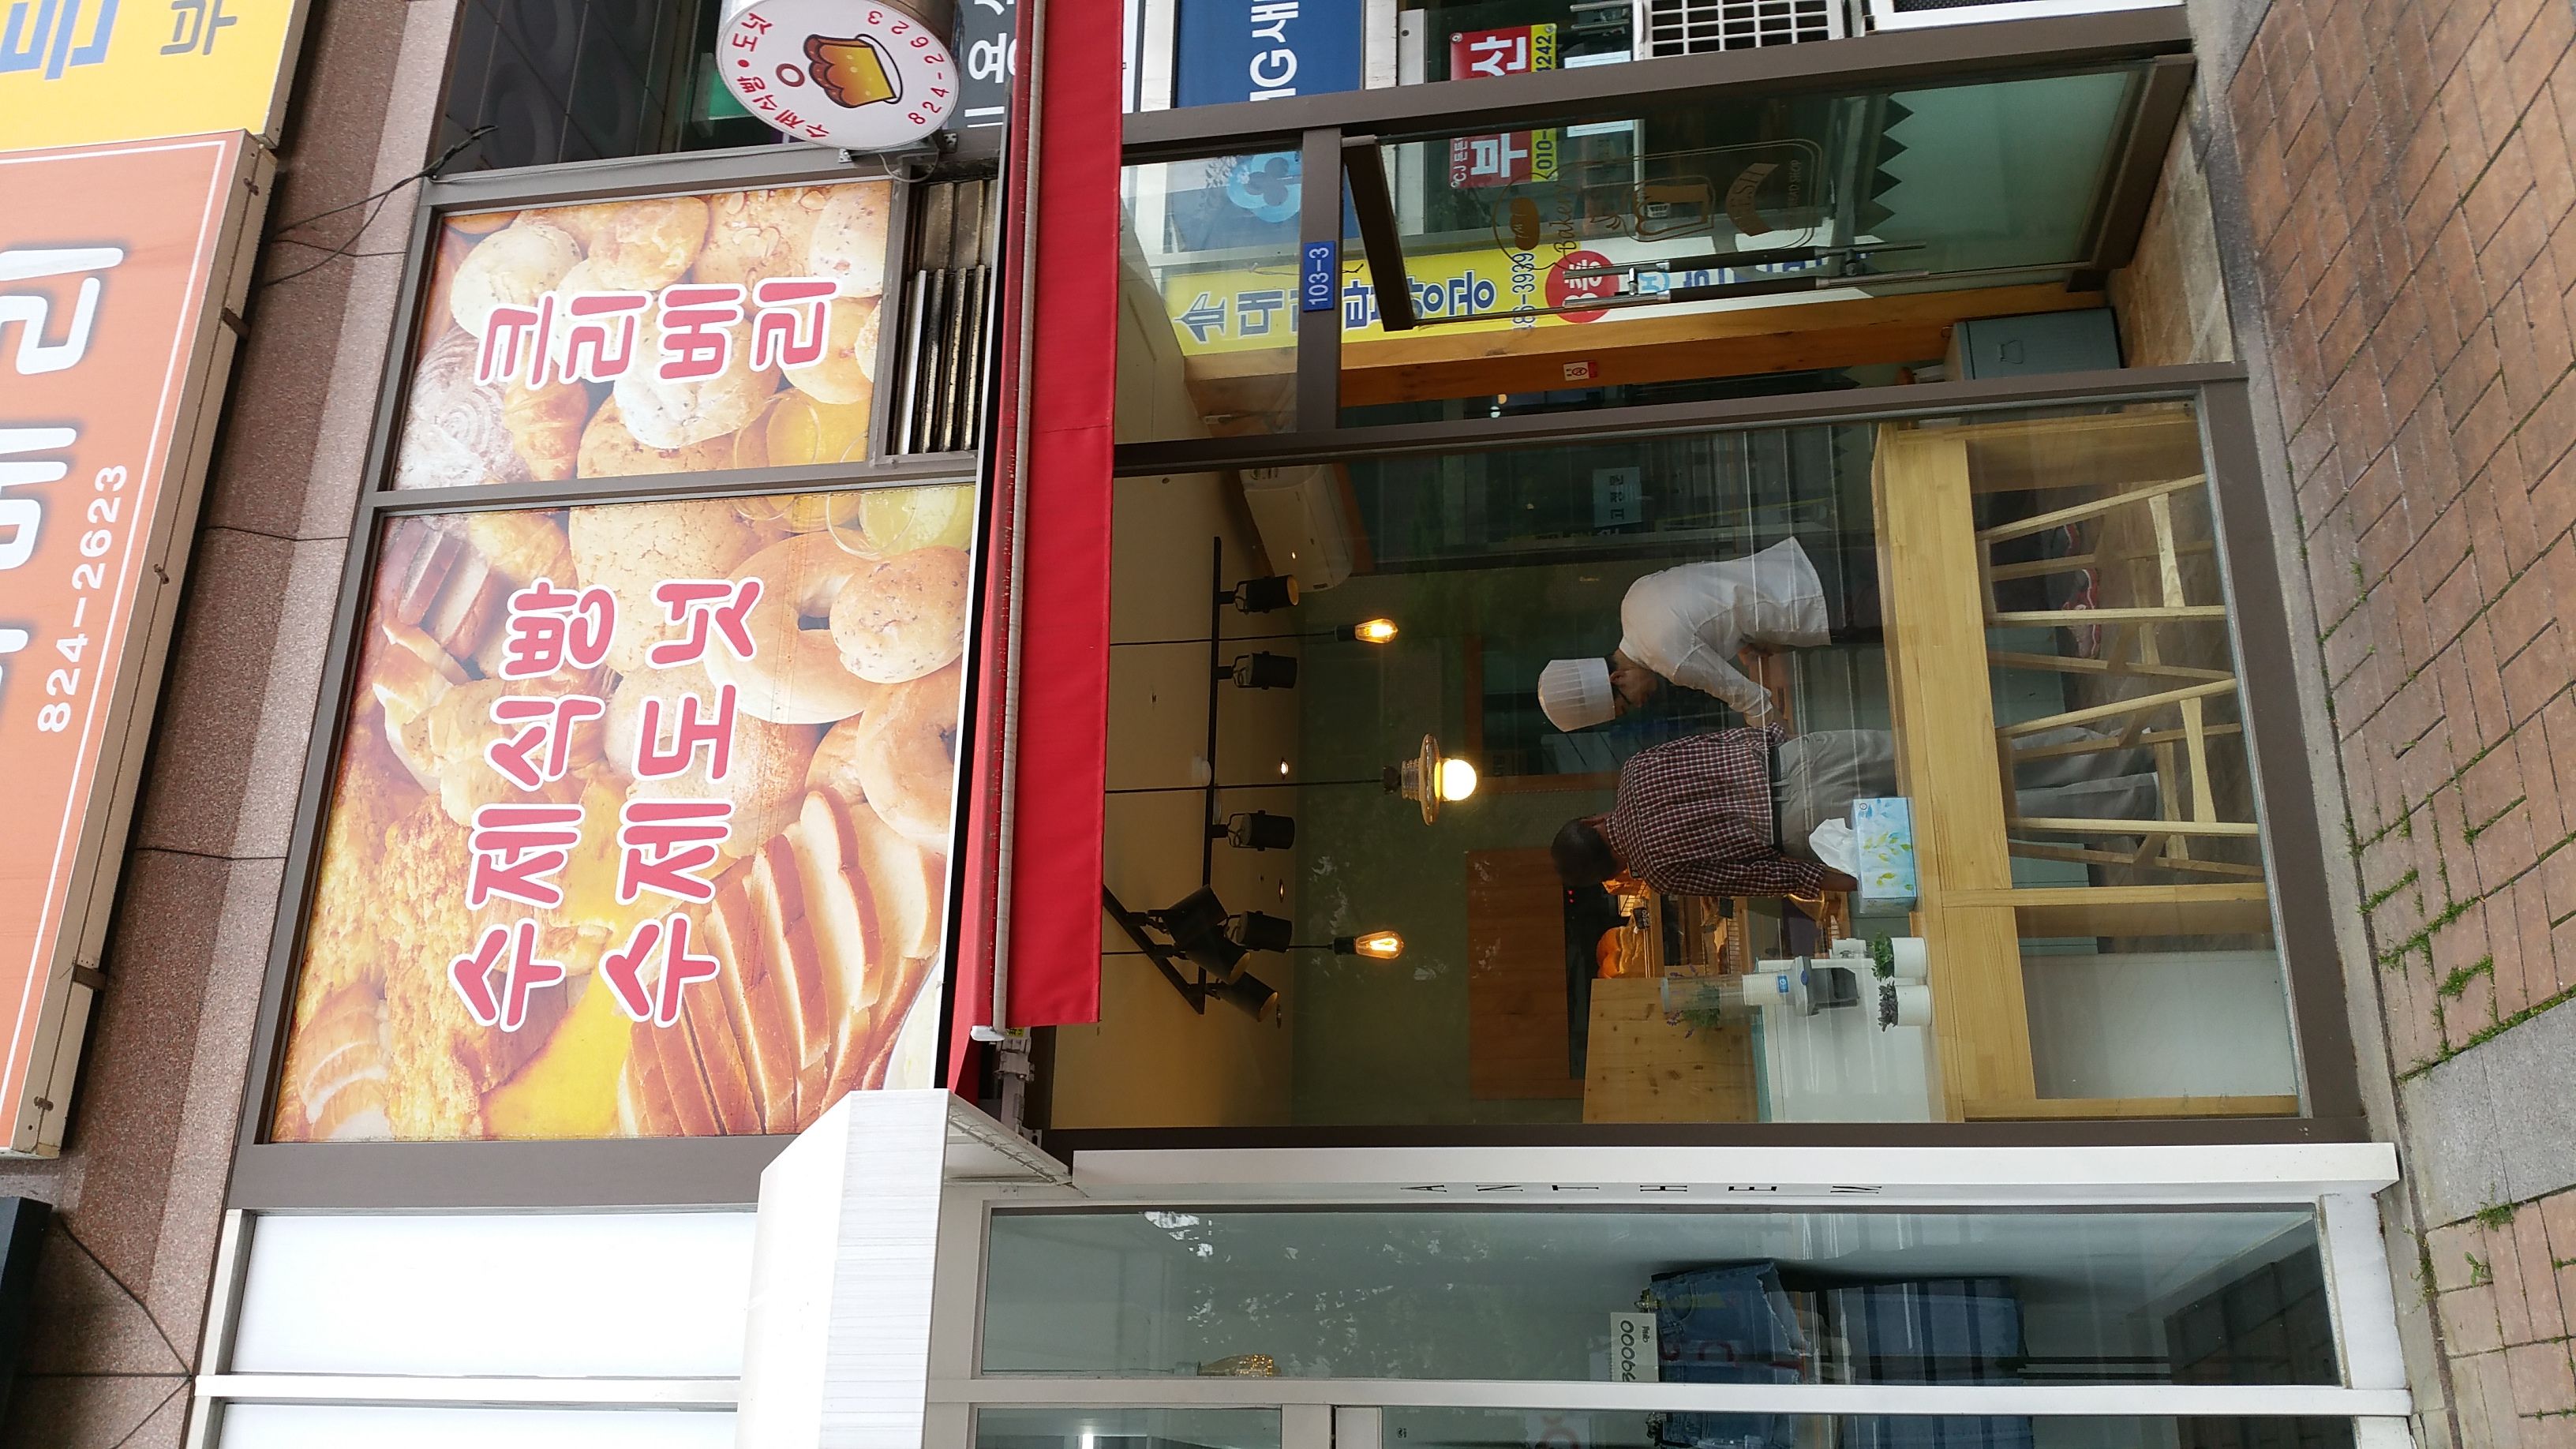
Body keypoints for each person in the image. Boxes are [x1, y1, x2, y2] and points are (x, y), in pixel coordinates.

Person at [1552, 722, 2159, 898]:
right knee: (1960, 750)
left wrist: (1833, 878)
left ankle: (2135, 800)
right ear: (1591, 822)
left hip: (1810, 825)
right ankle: (2115, 747)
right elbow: (1731, 738)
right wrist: (1786, 742)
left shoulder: (1658, 872)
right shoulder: (1638, 769)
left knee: (1969, 816)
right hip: (1803, 758)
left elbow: (1759, 876)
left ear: (1612, 870)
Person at [1537, 537, 1870, 731]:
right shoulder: (1633, 599)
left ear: (1618, 678)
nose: (1639, 705)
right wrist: (1741, 639)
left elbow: (1752, 700)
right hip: (1801, 557)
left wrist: (1787, 748)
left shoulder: (1671, 661)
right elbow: (1708, 596)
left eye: (1626, 705)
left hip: (1825, 602)